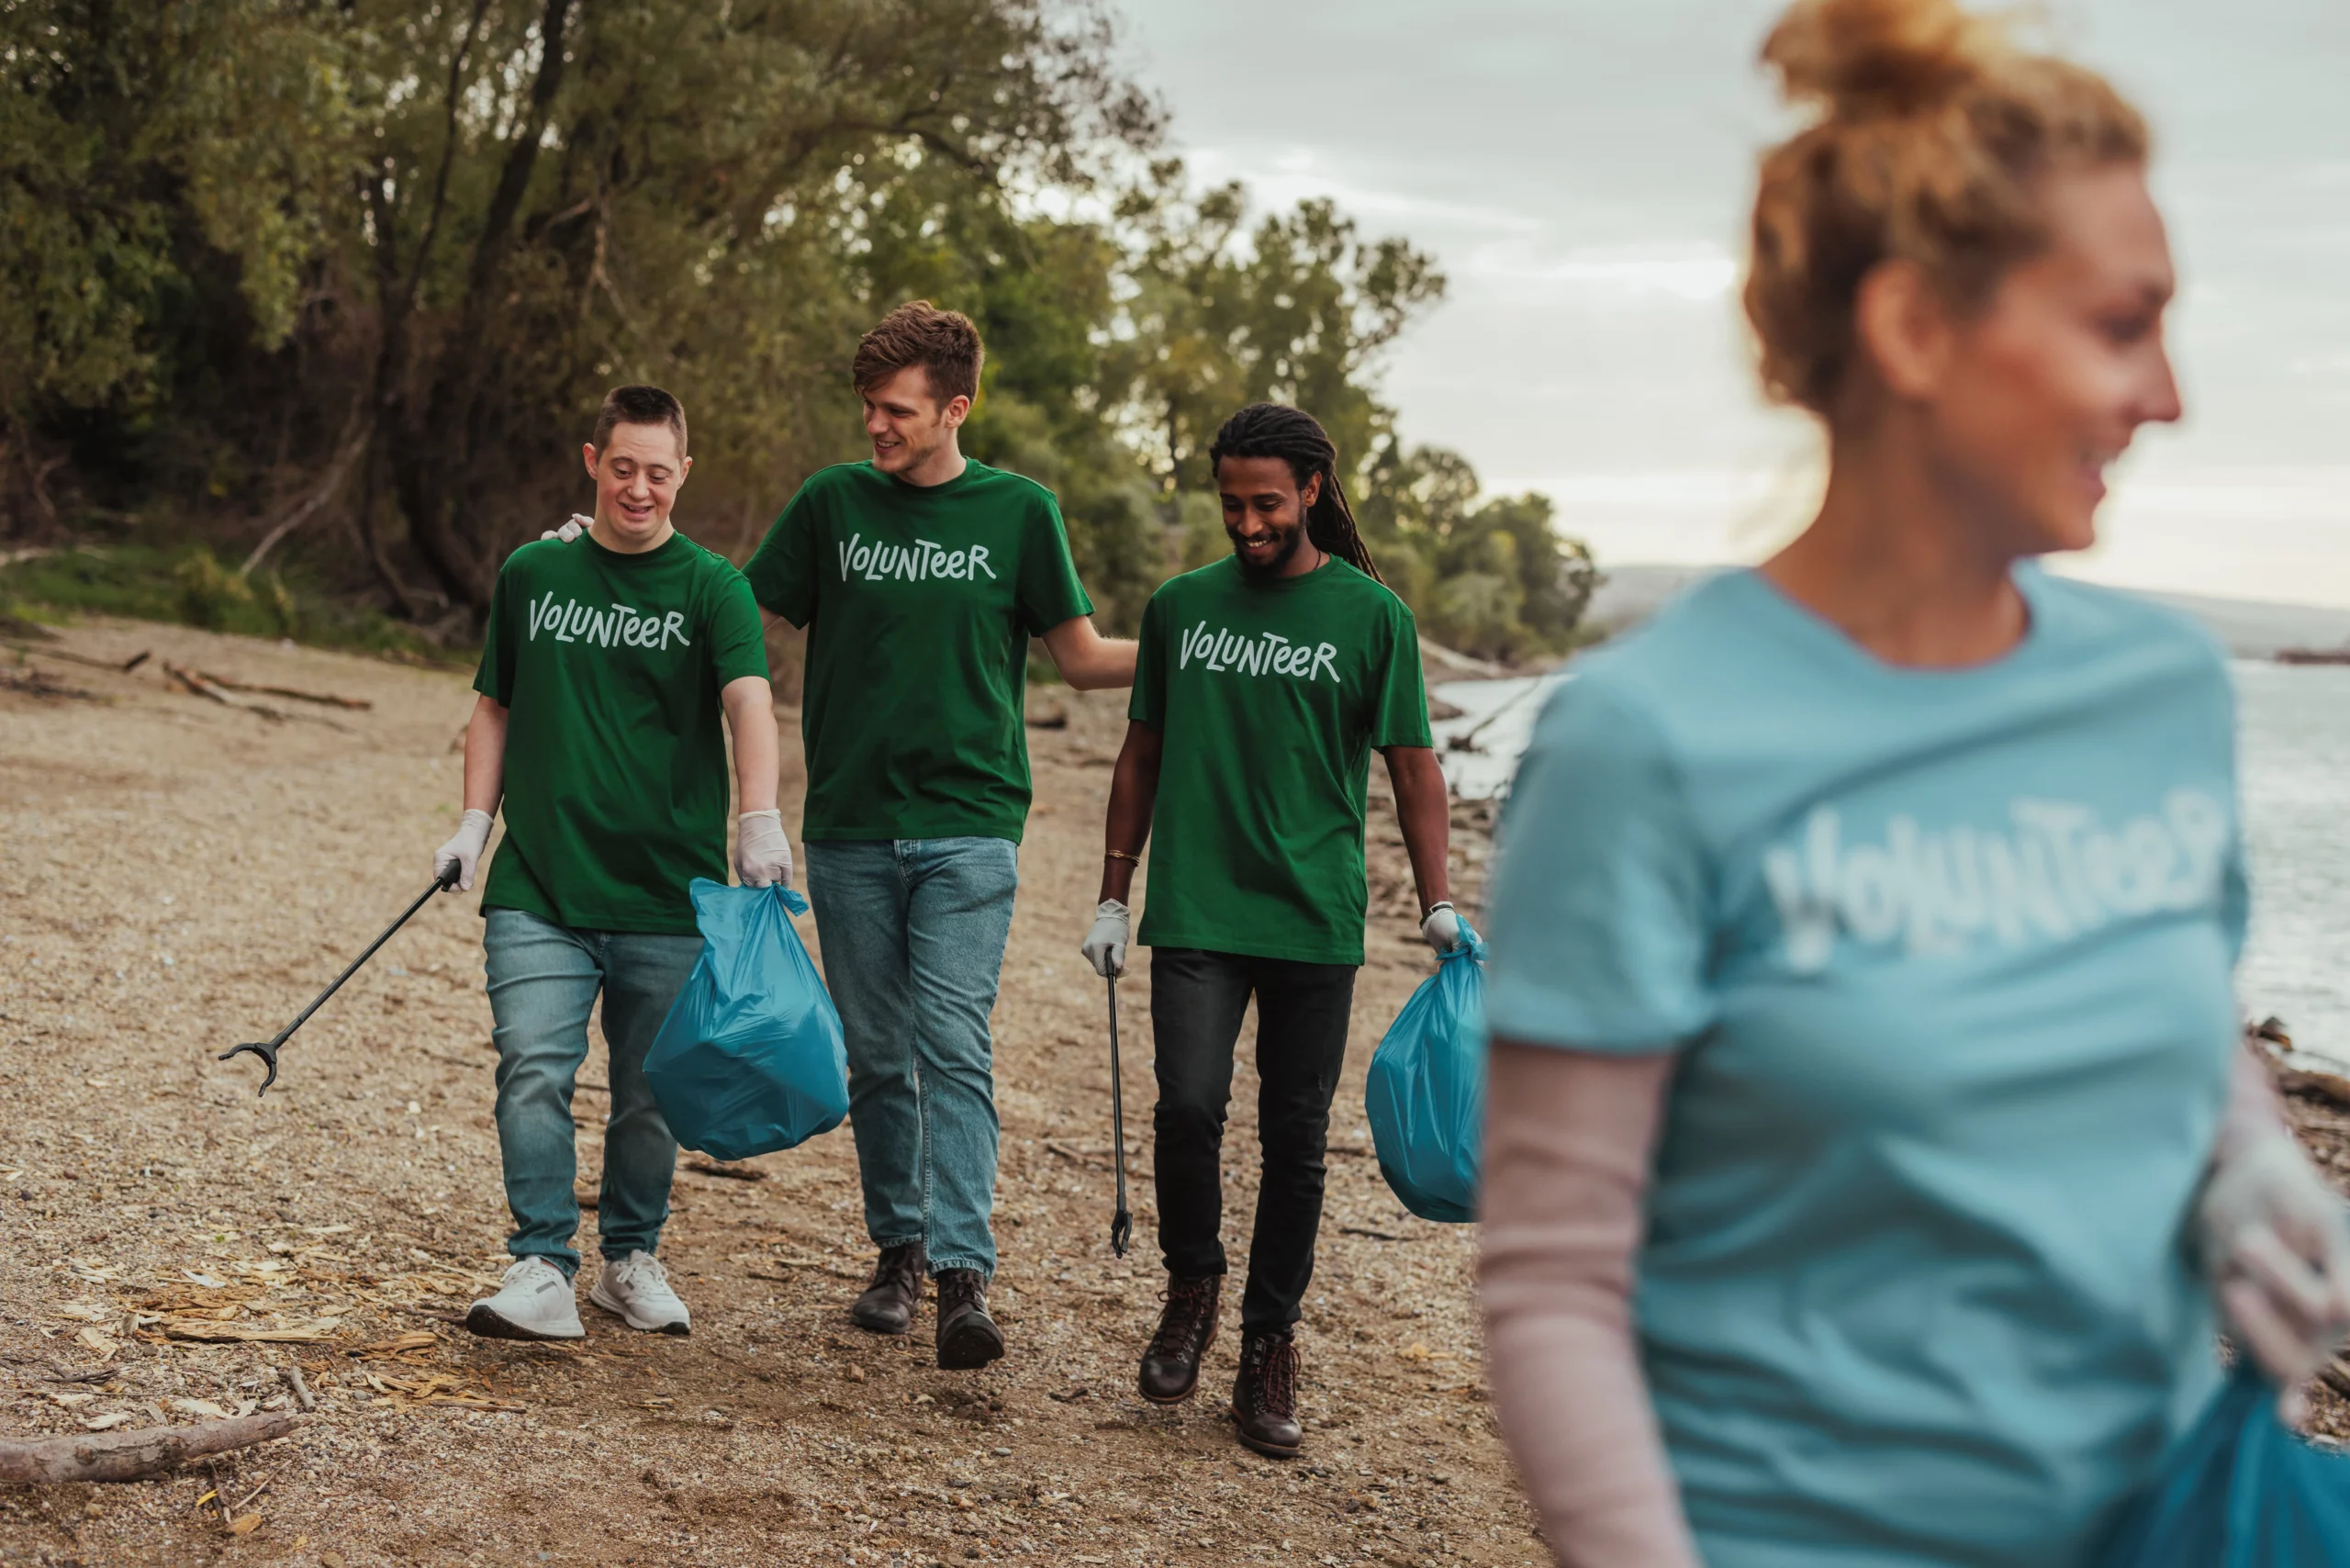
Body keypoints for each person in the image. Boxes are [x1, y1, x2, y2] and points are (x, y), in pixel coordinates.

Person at [1476, 3, 2350, 1564]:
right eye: (2120, 323)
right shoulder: (1647, 743)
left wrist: (2249, 1156)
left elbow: (2183, 1008)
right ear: (1916, 331)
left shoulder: (2157, 691)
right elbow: (1554, 1281)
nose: (2169, 396)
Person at [741, 301, 1136, 1369]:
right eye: (869, 406)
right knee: (876, 1056)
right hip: (854, 828)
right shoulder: (831, 504)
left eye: (898, 409)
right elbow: (734, 614)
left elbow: (1085, 658)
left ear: (957, 407)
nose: (876, 425)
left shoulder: (1020, 512)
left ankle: (965, 1275)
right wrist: (603, 557)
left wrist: (1202, 633)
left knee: (952, 1043)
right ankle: (897, 1252)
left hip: (970, 827)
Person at [1080, 402, 1460, 1459]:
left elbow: (1413, 768)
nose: (1246, 523)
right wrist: (1113, 892)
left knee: (1296, 1142)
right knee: (1188, 1105)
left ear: (1309, 494)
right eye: (1231, 503)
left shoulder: (1369, 616)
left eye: (1265, 504)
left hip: (1314, 916)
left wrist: (1436, 899)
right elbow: (1141, 755)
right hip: (1198, 904)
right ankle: (1191, 1287)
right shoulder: (1180, 607)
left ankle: (1267, 1341)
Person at [440, 385, 789, 1342]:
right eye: (622, 467)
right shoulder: (533, 575)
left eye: (659, 473)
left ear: (685, 472)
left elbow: (750, 702)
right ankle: (543, 1263)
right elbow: (495, 707)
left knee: (648, 1090)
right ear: (593, 461)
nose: (640, 489)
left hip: (666, 896)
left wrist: (758, 816)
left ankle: (629, 1258)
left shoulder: (711, 587)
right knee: (533, 1068)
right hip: (541, 882)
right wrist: (475, 820)